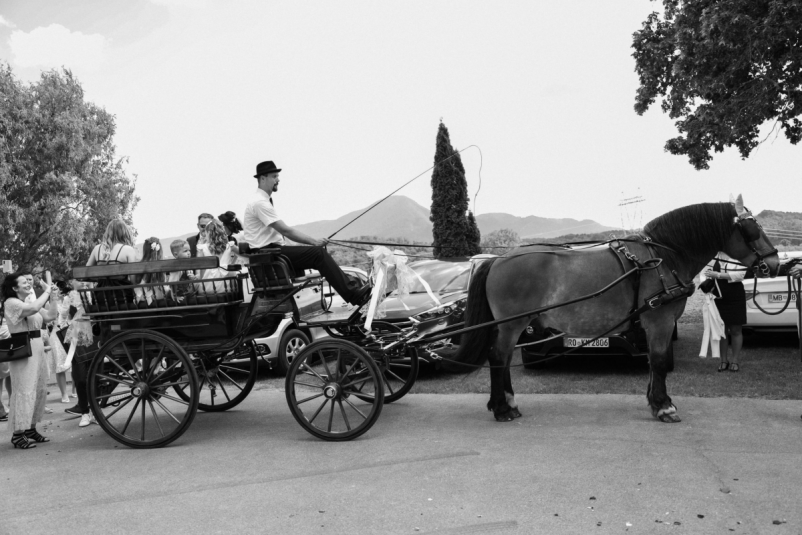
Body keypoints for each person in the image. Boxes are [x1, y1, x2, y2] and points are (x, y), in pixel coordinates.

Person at [242, 160, 370, 306]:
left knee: (316, 254)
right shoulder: (260, 202)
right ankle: (353, 294)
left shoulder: (262, 200)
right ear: (262, 178)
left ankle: (351, 284)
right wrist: (314, 242)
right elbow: (285, 230)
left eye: (277, 176)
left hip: (271, 251)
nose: (278, 179)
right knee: (318, 254)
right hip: (269, 254)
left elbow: (278, 234)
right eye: (274, 176)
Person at [1, 271, 59, 449]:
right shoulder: (11, 303)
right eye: (23, 282)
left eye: (28, 282)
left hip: (37, 346)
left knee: (39, 388)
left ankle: (30, 428)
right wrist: (47, 292)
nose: (28, 284)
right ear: (14, 287)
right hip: (22, 348)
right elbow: (33, 310)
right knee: (24, 389)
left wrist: (54, 296)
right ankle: (18, 434)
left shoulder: (27, 301)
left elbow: (49, 316)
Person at [704, 255, 747, 372]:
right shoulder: (714, 257)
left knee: (736, 330)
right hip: (718, 297)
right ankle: (723, 361)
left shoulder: (738, 257)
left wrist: (717, 275)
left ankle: (735, 361)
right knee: (721, 330)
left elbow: (740, 275)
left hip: (735, 296)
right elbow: (705, 273)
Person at [196, 220, 237, 294]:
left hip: (209, 284)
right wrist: (232, 262)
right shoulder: (230, 246)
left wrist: (201, 282)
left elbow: (201, 268)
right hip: (227, 284)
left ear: (208, 233)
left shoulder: (203, 248)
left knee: (204, 289)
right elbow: (242, 252)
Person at [134, 237, 168, 306]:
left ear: (145, 250)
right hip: (159, 295)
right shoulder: (161, 264)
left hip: (144, 296)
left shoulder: (141, 264)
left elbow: (140, 283)